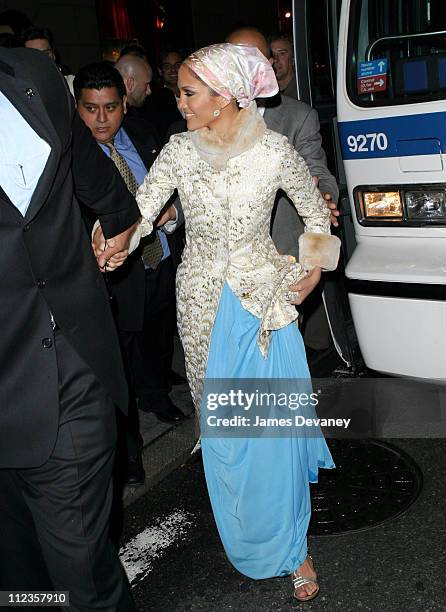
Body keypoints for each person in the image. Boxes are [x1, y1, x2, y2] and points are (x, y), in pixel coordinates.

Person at [98, 43, 339, 602]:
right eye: (179, 91)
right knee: (227, 430)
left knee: (271, 433)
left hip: (263, 302)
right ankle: (245, 527)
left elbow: (315, 214)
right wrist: (116, 245)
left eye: (187, 92)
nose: (177, 101)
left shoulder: (275, 150)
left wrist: (314, 270)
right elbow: (141, 210)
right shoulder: (178, 151)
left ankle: (292, 544)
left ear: (225, 95)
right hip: (203, 303)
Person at [0, 47, 139, 610]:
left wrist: (118, 228)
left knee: (82, 582)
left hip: (68, 380)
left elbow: (105, 190)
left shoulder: (32, 78)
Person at [75, 62, 184, 436]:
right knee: (119, 359)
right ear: (77, 109)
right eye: (90, 108)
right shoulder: (71, 157)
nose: (102, 119)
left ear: (125, 103)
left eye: (110, 107)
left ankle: (157, 395)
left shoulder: (144, 134)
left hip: (161, 257)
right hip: (115, 275)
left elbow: (176, 191)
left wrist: (172, 216)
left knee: (158, 335)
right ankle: (128, 445)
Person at [270, 32, 298, 98]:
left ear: (293, 58)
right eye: (272, 54)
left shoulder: (304, 92)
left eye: (282, 53)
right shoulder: (264, 94)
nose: (275, 59)